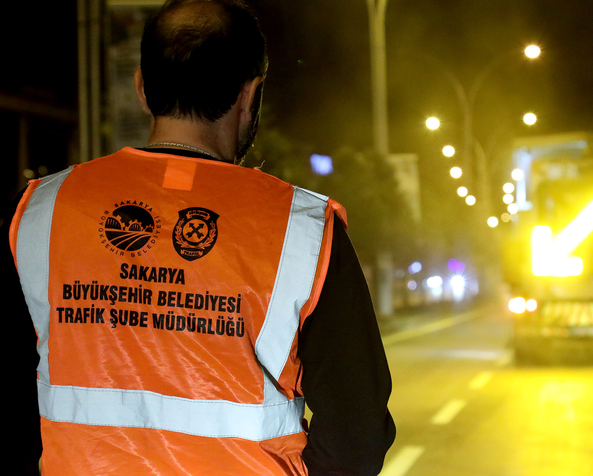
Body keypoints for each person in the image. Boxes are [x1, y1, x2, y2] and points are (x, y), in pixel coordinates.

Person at [4, 1, 395, 474]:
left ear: (143, 89)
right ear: (250, 95)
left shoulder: (38, 212)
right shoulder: (304, 229)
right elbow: (358, 434)